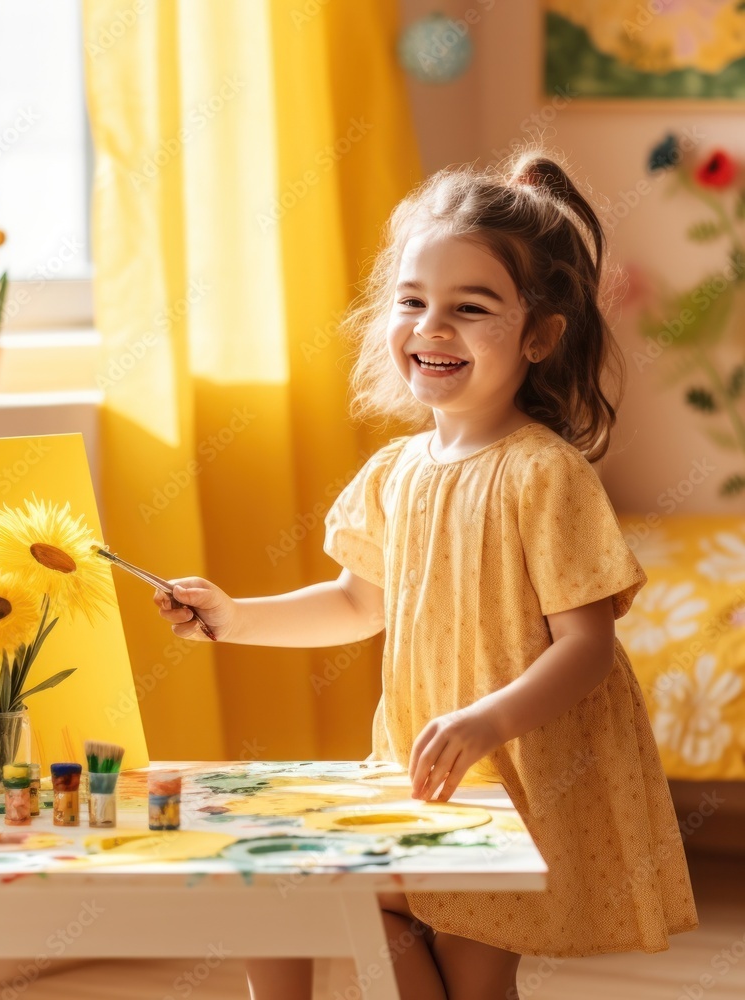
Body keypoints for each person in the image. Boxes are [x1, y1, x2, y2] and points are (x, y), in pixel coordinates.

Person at [154, 152, 699, 1000]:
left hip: (516, 772)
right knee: (305, 903)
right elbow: (356, 600)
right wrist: (233, 616)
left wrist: (487, 720)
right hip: (422, 765)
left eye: (469, 309)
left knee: (468, 977)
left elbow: (586, 648)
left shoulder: (542, 474)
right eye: (413, 304)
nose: (432, 329)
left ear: (539, 336)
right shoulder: (396, 470)